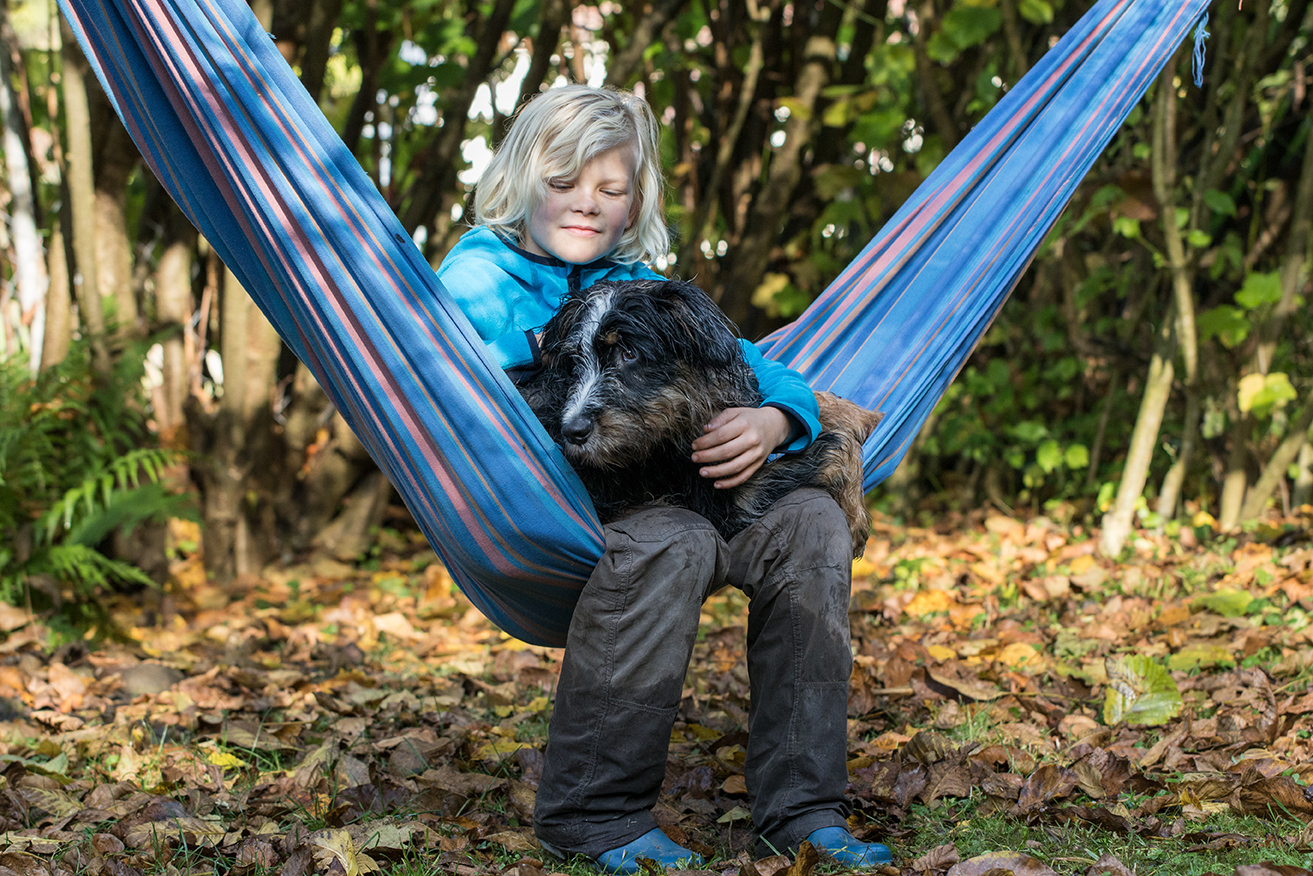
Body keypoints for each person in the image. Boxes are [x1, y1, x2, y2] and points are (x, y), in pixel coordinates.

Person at [435, 85, 893, 874]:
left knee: (812, 524)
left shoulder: (641, 283)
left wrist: (776, 420)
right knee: (674, 541)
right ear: (518, 180)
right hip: (570, 515)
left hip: (695, 490)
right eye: (563, 181)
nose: (586, 202)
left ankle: (802, 809)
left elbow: (754, 366)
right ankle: (595, 815)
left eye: (610, 189)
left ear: (636, 202)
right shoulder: (478, 278)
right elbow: (442, 374)